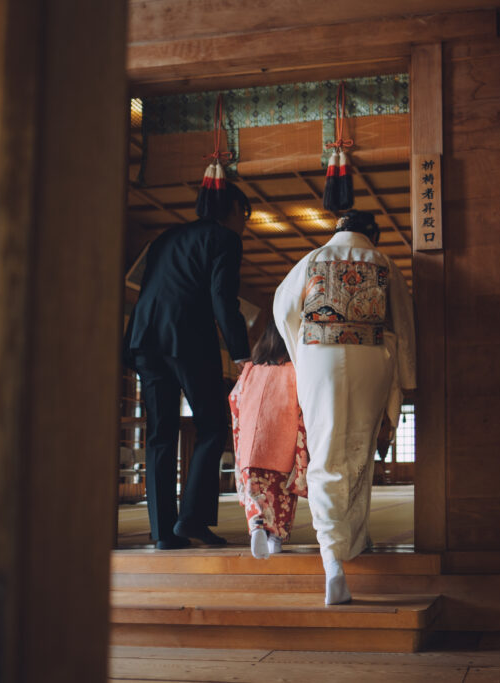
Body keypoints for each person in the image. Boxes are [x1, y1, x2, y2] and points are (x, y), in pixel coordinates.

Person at [273, 209, 416, 604]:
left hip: (320, 354)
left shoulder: (313, 259)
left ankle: (333, 559)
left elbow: (283, 308)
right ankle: (353, 540)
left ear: (338, 230)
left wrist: (301, 349)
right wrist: (406, 380)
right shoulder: (383, 263)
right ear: (373, 234)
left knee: (325, 451)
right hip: (371, 355)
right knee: (359, 449)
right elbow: (403, 324)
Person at [124, 182, 252, 550]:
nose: (243, 224)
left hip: (146, 340)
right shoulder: (225, 239)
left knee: (159, 434)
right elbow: (222, 299)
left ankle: (164, 532)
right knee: (212, 426)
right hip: (188, 340)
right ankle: (191, 520)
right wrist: (241, 355)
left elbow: (150, 289)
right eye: (243, 216)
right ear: (231, 211)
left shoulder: (167, 237)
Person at [228, 320, 309, 559]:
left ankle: (257, 529)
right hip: (282, 443)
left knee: (256, 491)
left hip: (253, 444)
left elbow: (234, 400)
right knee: (281, 495)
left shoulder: (251, 369)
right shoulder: (296, 369)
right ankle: (276, 538)